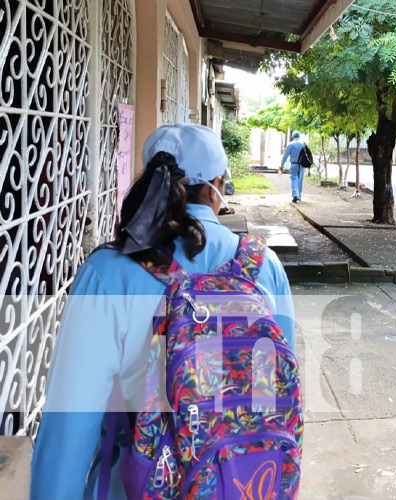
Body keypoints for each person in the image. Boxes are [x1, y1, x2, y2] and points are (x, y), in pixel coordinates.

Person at [30, 123, 295, 499]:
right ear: (216, 186)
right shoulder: (265, 267)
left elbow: (71, 423)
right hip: (243, 480)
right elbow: (280, 397)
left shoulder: (108, 273)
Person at [280, 131, 306, 203]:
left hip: (294, 164)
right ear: (299, 136)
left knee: (294, 179)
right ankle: (299, 196)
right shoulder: (303, 144)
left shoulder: (290, 144)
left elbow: (285, 156)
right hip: (302, 165)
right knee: (300, 180)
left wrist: (281, 166)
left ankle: (295, 195)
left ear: (292, 137)